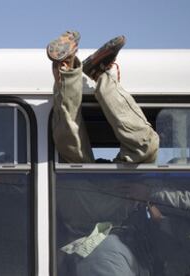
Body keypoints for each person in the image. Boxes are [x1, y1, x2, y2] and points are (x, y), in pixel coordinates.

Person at [47, 31, 160, 276]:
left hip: (105, 208)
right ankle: (84, 73)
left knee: (73, 153)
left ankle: (72, 73)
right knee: (144, 147)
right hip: (94, 218)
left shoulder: (109, 251)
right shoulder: (104, 254)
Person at [47, 30, 159, 164]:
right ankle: (96, 73)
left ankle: (68, 75)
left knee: (74, 158)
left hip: (81, 181)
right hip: (121, 180)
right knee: (146, 147)